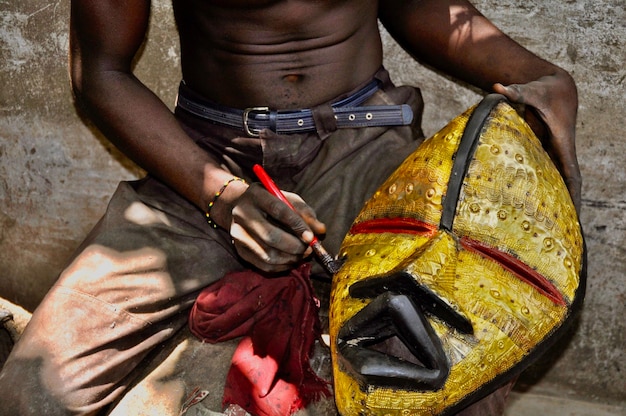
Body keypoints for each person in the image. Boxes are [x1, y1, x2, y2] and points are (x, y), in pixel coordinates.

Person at [0, 0, 581, 414]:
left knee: (443, 370)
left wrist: (537, 77)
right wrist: (221, 197)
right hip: (206, 161)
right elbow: (100, 71)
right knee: (32, 396)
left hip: (365, 148)